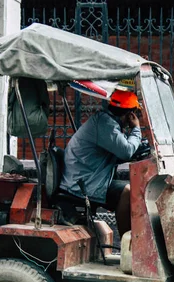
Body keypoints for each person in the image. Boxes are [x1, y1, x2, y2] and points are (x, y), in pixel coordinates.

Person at [60, 89, 142, 237]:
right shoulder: (106, 124)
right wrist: (136, 129)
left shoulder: (107, 123)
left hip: (88, 178)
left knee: (128, 190)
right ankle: (128, 245)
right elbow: (126, 150)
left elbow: (115, 153)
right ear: (131, 114)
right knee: (127, 192)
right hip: (82, 184)